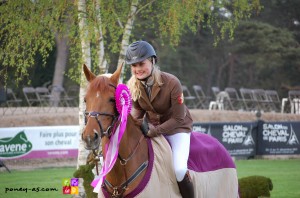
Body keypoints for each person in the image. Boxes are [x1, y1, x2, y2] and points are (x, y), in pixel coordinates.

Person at [125, 40, 194, 198]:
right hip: (153, 128)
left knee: (179, 169)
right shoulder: (133, 86)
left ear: (152, 61)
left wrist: (155, 131)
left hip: (178, 128)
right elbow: (138, 111)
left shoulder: (172, 82)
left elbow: (178, 118)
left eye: (141, 64)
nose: (137, 69)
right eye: (133, 66)